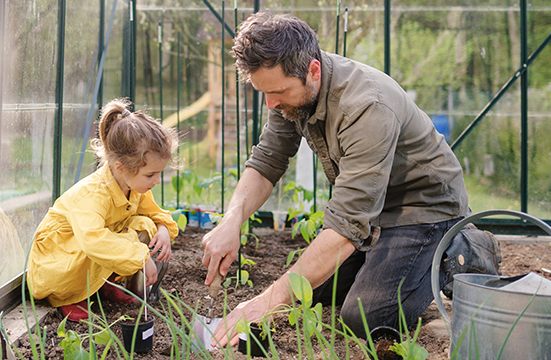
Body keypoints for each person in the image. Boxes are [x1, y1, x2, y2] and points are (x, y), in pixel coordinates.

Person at [201, 12, 499, 346]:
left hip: (423, 208)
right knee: (311, 291)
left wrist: (263, 303)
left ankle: (460, 248)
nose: (271, 103)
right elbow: (268, 160)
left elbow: (346, 227)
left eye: (278, 92)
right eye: (264, 93)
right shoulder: (289, 92)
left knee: (364, 317)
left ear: (312, 71)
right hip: (374, 208)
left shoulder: (366, 106)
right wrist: (231, 221)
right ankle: (389, 261)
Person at [27, 98, 179, 322]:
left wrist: (163, 228)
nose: (156, 180)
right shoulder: (93, 195)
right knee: (101, 241)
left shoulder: (133, 185)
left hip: (86, 252)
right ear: (121, 167)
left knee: (145, 223)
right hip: (57, 265)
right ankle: (69, 297)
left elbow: (155, 214)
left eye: (159, 173)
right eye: (150, 174)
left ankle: (103, 284)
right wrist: (140, 257)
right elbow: (94, 241)